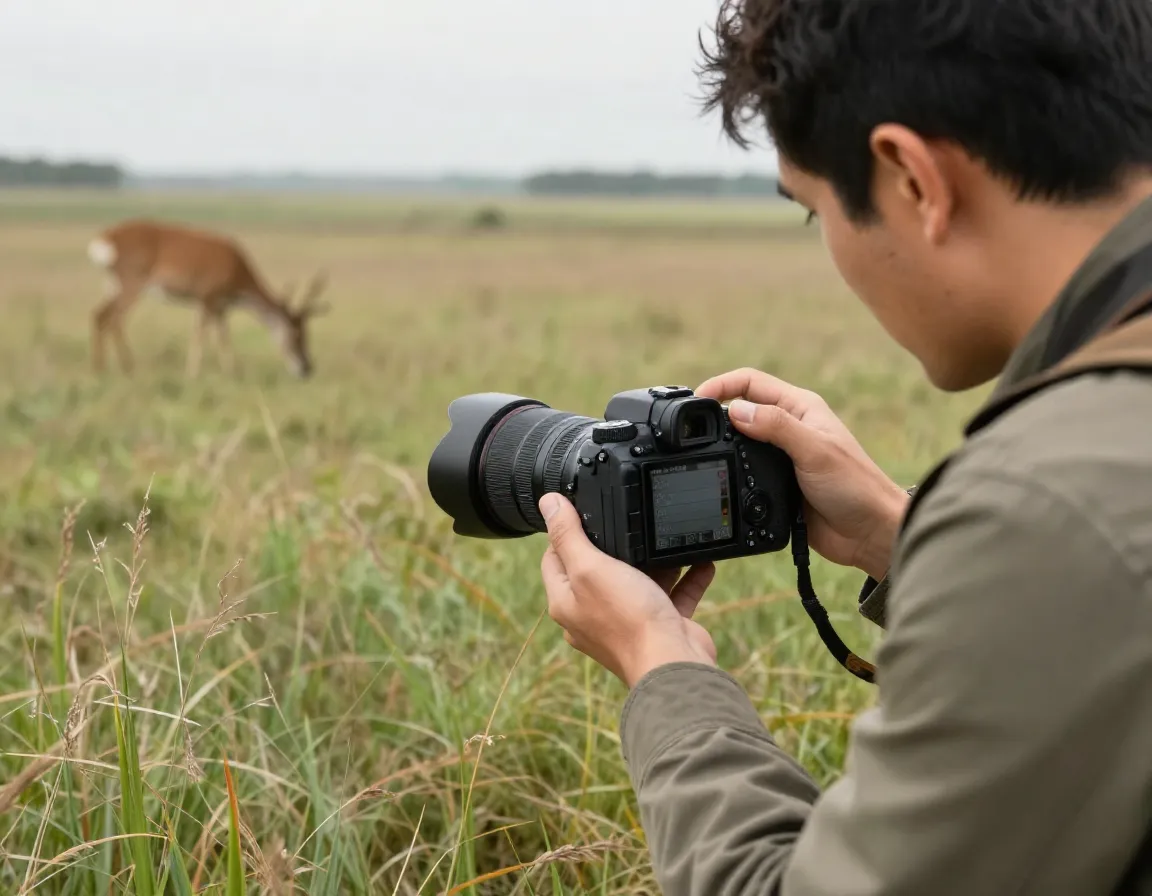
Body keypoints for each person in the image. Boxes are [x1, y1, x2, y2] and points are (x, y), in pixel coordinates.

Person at [536, 2, 1152, 894]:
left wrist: (662, 670)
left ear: (911, 180)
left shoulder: (1052, 505)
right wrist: (907, 542)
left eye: (812, 208)